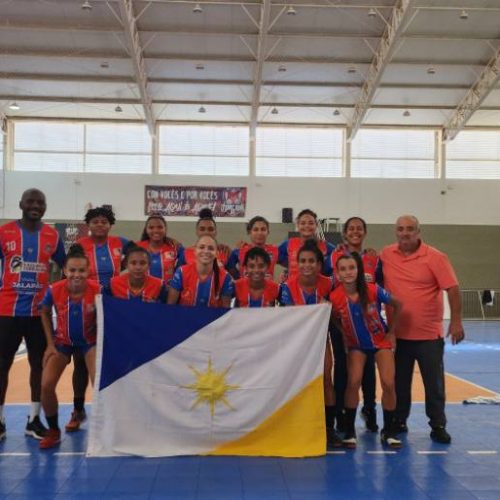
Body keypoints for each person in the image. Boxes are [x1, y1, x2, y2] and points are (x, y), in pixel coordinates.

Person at [380, 215, 465, 444]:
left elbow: (453, 289)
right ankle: (398, 421)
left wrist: (456, 321)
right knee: (399, 383)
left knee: (433, 384)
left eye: (410, 229)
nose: (405, 233)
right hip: (397, 335)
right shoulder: (386, 255)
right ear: (395, 232)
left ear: (418, 231)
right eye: (400, 229)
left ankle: (437, 425)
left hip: (429, 336)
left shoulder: (436, 257)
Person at [0, 188, 65, 441]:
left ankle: (34, 419)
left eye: (40, 201)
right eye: (30, 201)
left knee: (38, 365)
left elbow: (65, 265)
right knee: (2, 365)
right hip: (7, 311)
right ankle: (1, 420)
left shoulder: (52, 235)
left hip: (40, 313)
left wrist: (57, 295)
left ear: (45, 207)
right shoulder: (4, 232)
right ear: (21, 204)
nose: (35, 205)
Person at [330, 253, 402, 449]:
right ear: (337, 273)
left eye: (352, 268)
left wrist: (392, 332)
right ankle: (350, 430)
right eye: (343, 269)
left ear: (358, 270)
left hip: (380, 342)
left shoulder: (372, 289)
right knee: (353, 382)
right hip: (357, 345)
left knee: (388, 383)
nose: (348, 272)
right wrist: (343, 333)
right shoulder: (334, 297)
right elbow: (332, 317)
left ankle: (389, 429)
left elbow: (398, 304)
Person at [67, 206, 129, 432]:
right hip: (84, 307)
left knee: (115, 359)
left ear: (110, 224)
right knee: (81, 360)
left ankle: (116, 409)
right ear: (89, 224)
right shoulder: (79, 246)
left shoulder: (120, 243)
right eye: (95, 221)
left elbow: (143, 250)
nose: (100, 225)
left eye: (104, 221)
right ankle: (78, 408)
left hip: (113, 308)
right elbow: (70, 271)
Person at [39, 244, 100, 449]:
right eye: (72, 270)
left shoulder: (98, 290)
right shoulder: (54, 289)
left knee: (97, 384)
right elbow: (44, 312)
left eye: (81, 270)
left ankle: (103, 429)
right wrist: (49, 344)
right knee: (46, 385)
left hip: (89, 343)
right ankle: (54, 430)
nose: (76, 274)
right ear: (64, 271)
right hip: (62, 344)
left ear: (88, 270)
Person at [278, 239, 335, 446]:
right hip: (298, 343)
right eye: (302, 261)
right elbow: (287, 319)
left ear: (319, 265)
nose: (307, 265)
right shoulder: (287, 287)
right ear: (296, 263)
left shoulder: (329, 283)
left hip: (322, 340)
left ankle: (329, 427)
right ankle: (295, 423)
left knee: (326, 379)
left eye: (312, 261)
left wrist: (329, 306)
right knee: (296, 380)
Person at [329, 217, 380, 433]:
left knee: (368, 366)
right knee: (342, 365)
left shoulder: (373, 258)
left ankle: (369, 408)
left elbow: (380, 287)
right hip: (341, 318)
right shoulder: (334, 255)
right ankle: (341, 411)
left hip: (366, 321)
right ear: (345, 233)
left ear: (365, 232)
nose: (355, 232)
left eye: (359, 228)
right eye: (351, 228)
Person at [168, 235, 234, 307]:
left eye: (211, 248)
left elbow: (225, 312)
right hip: (184, 317)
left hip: (213, 318)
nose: (206, 251)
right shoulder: (181, 272)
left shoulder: (225, 277)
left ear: (216, 253)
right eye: (201, 247)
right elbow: (171, 307)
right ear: (195, 251)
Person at [278, 209, 334, 280]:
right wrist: (287, 271)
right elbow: (276, 258)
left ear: (316, 225)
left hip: (317, 288)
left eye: (311, 223)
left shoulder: (326, 247)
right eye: (303, 223)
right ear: (298, 225)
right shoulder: (288, 244)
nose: (307, 226)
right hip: (292, 289)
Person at [136, 214, 180, 286]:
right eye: (151, 227)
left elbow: (187, 259)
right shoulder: (137, 247)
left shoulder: (174, 246)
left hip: (167, 293)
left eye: (160, 227)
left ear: (165, 229)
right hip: (144, 292)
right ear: (146, 230)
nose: (156, 230)